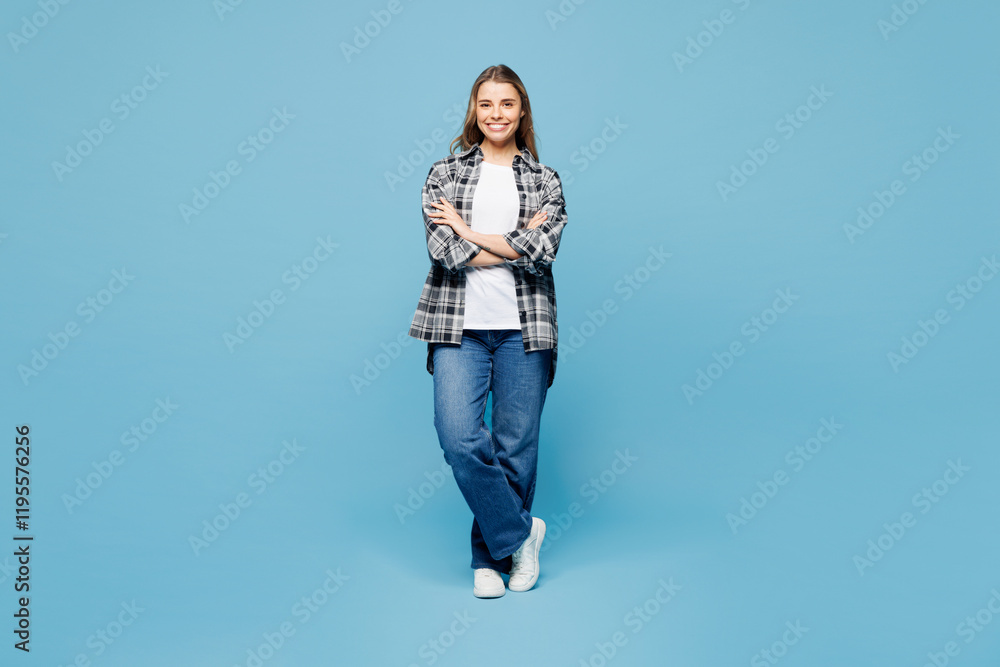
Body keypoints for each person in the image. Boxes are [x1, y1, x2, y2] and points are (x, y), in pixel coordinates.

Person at [408, 64, 568, 598]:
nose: (496, 114)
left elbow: (541, 256)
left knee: (515, 446)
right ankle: (522, 535)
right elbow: (444, 253)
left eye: (506, 104)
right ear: (473, 112)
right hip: (460, 327)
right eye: (486, 104)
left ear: (521, 112)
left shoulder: (545, 180)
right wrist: (512, 242)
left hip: (526, 330)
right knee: (459, 438)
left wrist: (469, 229)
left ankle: (487, 561)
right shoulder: (443, 175)